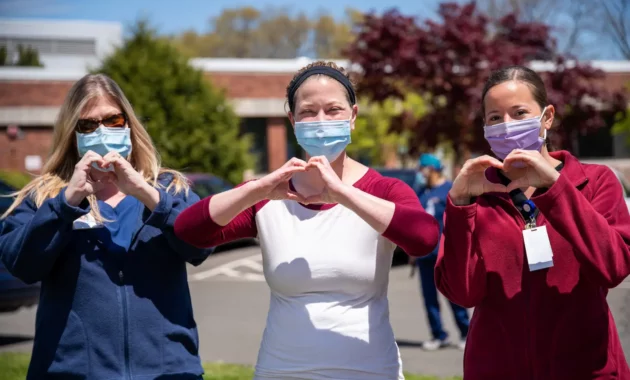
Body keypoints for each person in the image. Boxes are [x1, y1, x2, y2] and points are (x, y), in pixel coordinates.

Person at [174, 61, 440, 380]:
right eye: (309, 112)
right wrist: (256, 188)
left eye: (333, 110)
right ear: (293, 120)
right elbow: (189, 231)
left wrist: (343, 194)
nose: (321, 121)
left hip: (369, 370)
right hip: (282, 370)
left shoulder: (383, 190)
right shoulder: (271, 195)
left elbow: (424, 238)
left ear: (353, 117)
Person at [0, 74, 213, 379]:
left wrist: (145, 192)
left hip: (168, 372)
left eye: (113, 120)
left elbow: (202, 245)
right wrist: (66, 202)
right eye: (87, 125)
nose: (101, 131)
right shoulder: (44, 195)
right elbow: (21, 264)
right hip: (71, 372)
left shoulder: (169, 189)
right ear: (72, 133)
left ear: (128, 124)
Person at [435, 65, 630, 379]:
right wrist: (460, 205)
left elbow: (613, 267)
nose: (507, 126)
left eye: (519, 112)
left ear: (547, 117)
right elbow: (463, 293)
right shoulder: (476, 193)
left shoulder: (595, 182)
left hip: (587, 369)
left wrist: (556, 189)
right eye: (495, 118)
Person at [412, 153, 469, 351]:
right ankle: (438, 335)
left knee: (454, 296)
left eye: (423, 168)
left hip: (445, 255)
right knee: (429, 298)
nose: (420, 173)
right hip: (424, 256)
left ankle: (466, 333)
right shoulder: (421, 192)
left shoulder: (449, 190)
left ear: (432, 169)